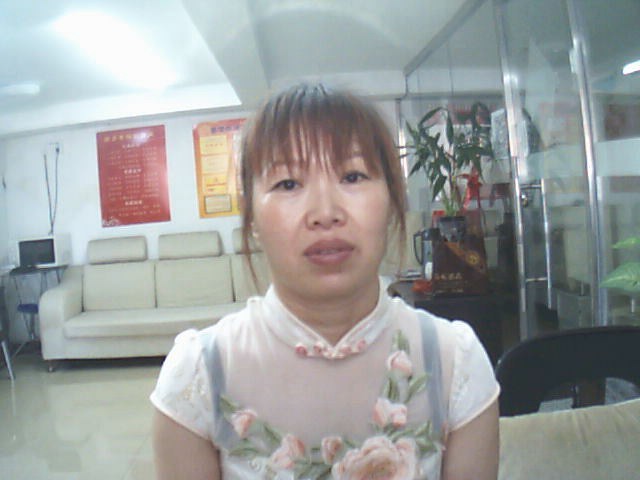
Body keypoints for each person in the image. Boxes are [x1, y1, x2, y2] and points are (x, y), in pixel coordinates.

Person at [151, 83, 499, 480]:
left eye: (352, 175)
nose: (325, 212)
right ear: (252, 219)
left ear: (391, 202)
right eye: (288, 183)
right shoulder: (199, 375)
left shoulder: (455, 361)